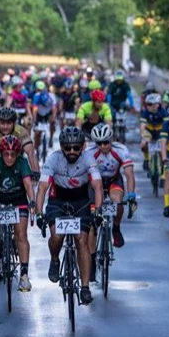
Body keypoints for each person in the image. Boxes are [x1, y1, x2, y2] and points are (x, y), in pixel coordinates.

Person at [35, 126, 103, 305]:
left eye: (76, 147)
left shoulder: (88, 158)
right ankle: (55, 259)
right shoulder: (54, 158)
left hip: (81, 202)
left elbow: (97, 186)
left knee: (81, 240)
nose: (71, 151)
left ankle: (85, 287)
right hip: (58, 201)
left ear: (82, 146)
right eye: (67, 148)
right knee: (57, 236)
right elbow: (42, 188)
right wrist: (38, 212)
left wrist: (98, 210)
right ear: (61, 147)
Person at [0, 135, 36, 292]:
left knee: (21, 235)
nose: (10, 157)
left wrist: (32, 201)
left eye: (13, 154)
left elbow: (28, 185)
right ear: (1, 153)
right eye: (6, 154)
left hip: (18, 198)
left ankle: (24, 275)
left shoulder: (22, 163)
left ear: (18, 154)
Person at [83, 123, 136, 248]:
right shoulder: (89, 152)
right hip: (96, 183)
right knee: (93, 210)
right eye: (99, 143)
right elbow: (83, 174)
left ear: (111, 139)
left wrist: (131, 194)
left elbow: (129, 174)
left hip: (113, 180)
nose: (102, 146)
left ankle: (116, 228)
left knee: (117, 202)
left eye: (106, 142)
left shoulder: (121, 150)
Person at [139, 93, 167, 172]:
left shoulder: (163, 112)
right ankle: (146, 159)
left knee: (165, 145)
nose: (148, 106)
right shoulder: (145, 112)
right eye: (147, 104)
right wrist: (143, 137)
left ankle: (163, 162)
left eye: (150, 104)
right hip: (149, 131)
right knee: (144, 144)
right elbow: (142, 126)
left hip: (160, 131)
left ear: (157, 105)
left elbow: (167, 125)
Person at [31, 80, 57, 153]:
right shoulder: (36, 96)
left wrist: (54, 118)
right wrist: (35, 119)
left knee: (52, 123)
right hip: (39, 114)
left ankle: (51, 138)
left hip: (48, 114)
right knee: (37, 133)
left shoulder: (51, 96)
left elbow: (54, 108)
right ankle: (36, 149)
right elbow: (35, 109)